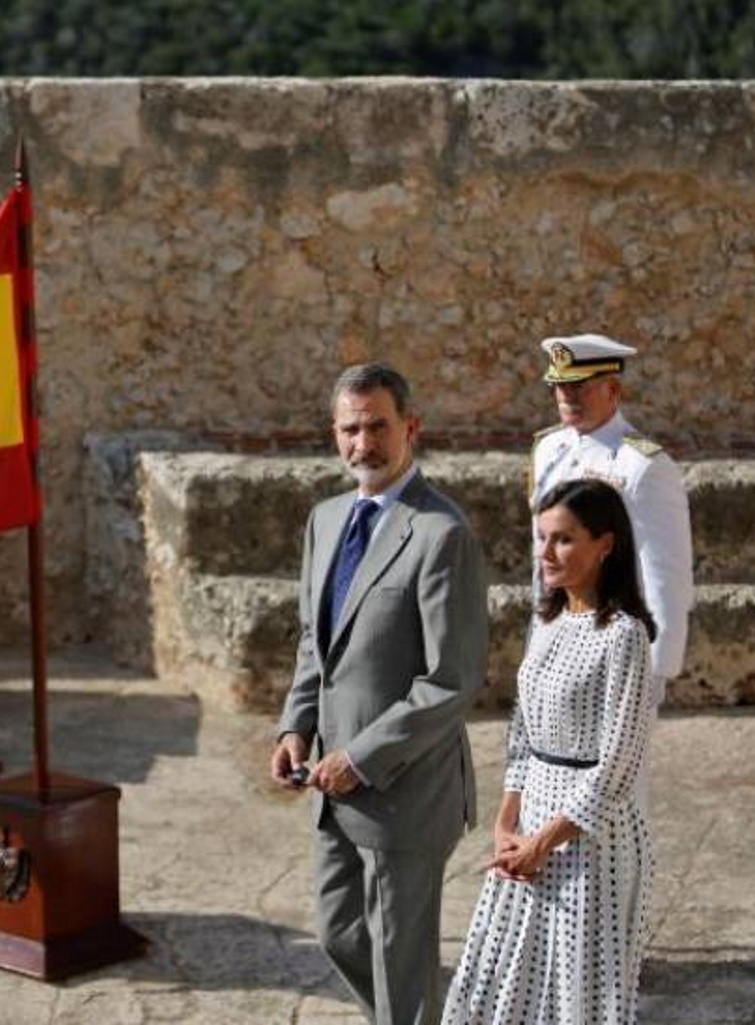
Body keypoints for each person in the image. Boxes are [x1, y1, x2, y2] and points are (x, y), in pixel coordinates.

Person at [272, 362, 488, 1025]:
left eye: (376, 426)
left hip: (406, 788)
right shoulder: (326, 519)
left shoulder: (441, 533)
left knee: (402, 956)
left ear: (410, 428)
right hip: (332, 789)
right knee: (339, 932)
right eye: (348, 428)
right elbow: (318, 642)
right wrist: (295, 727)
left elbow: (451, 681)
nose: (362, 444)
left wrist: (360, 755)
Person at [442, 478, 659, 1024]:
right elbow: (523, 727)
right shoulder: (546, 618)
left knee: (578, 992)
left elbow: (618, 765)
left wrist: (544, 841)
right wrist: (506, 821)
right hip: (528, 822)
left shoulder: (624, 636)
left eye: (562, 539)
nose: (545, 553)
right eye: (541, 538)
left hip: (591, 839)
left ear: (604, 545)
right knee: (496, 979)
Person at [531, 333, 693, 690]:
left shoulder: (643, 464)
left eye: (580, 387)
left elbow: (666, 571)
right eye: (560, 386)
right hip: (556, 634)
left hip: (614, 641)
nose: (568, 397)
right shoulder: (548, 449)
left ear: (613, 391)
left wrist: (657, 667)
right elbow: (541, 559)